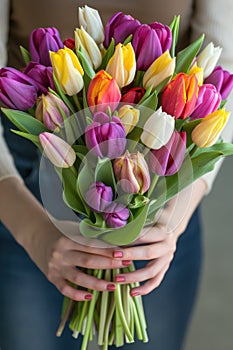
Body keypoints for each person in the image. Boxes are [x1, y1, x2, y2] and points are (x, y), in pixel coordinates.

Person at [0, 1, 233, 350]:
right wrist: (32, 232)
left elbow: (224, 59)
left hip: (162, 186)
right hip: (25, 181)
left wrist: (176, 212)